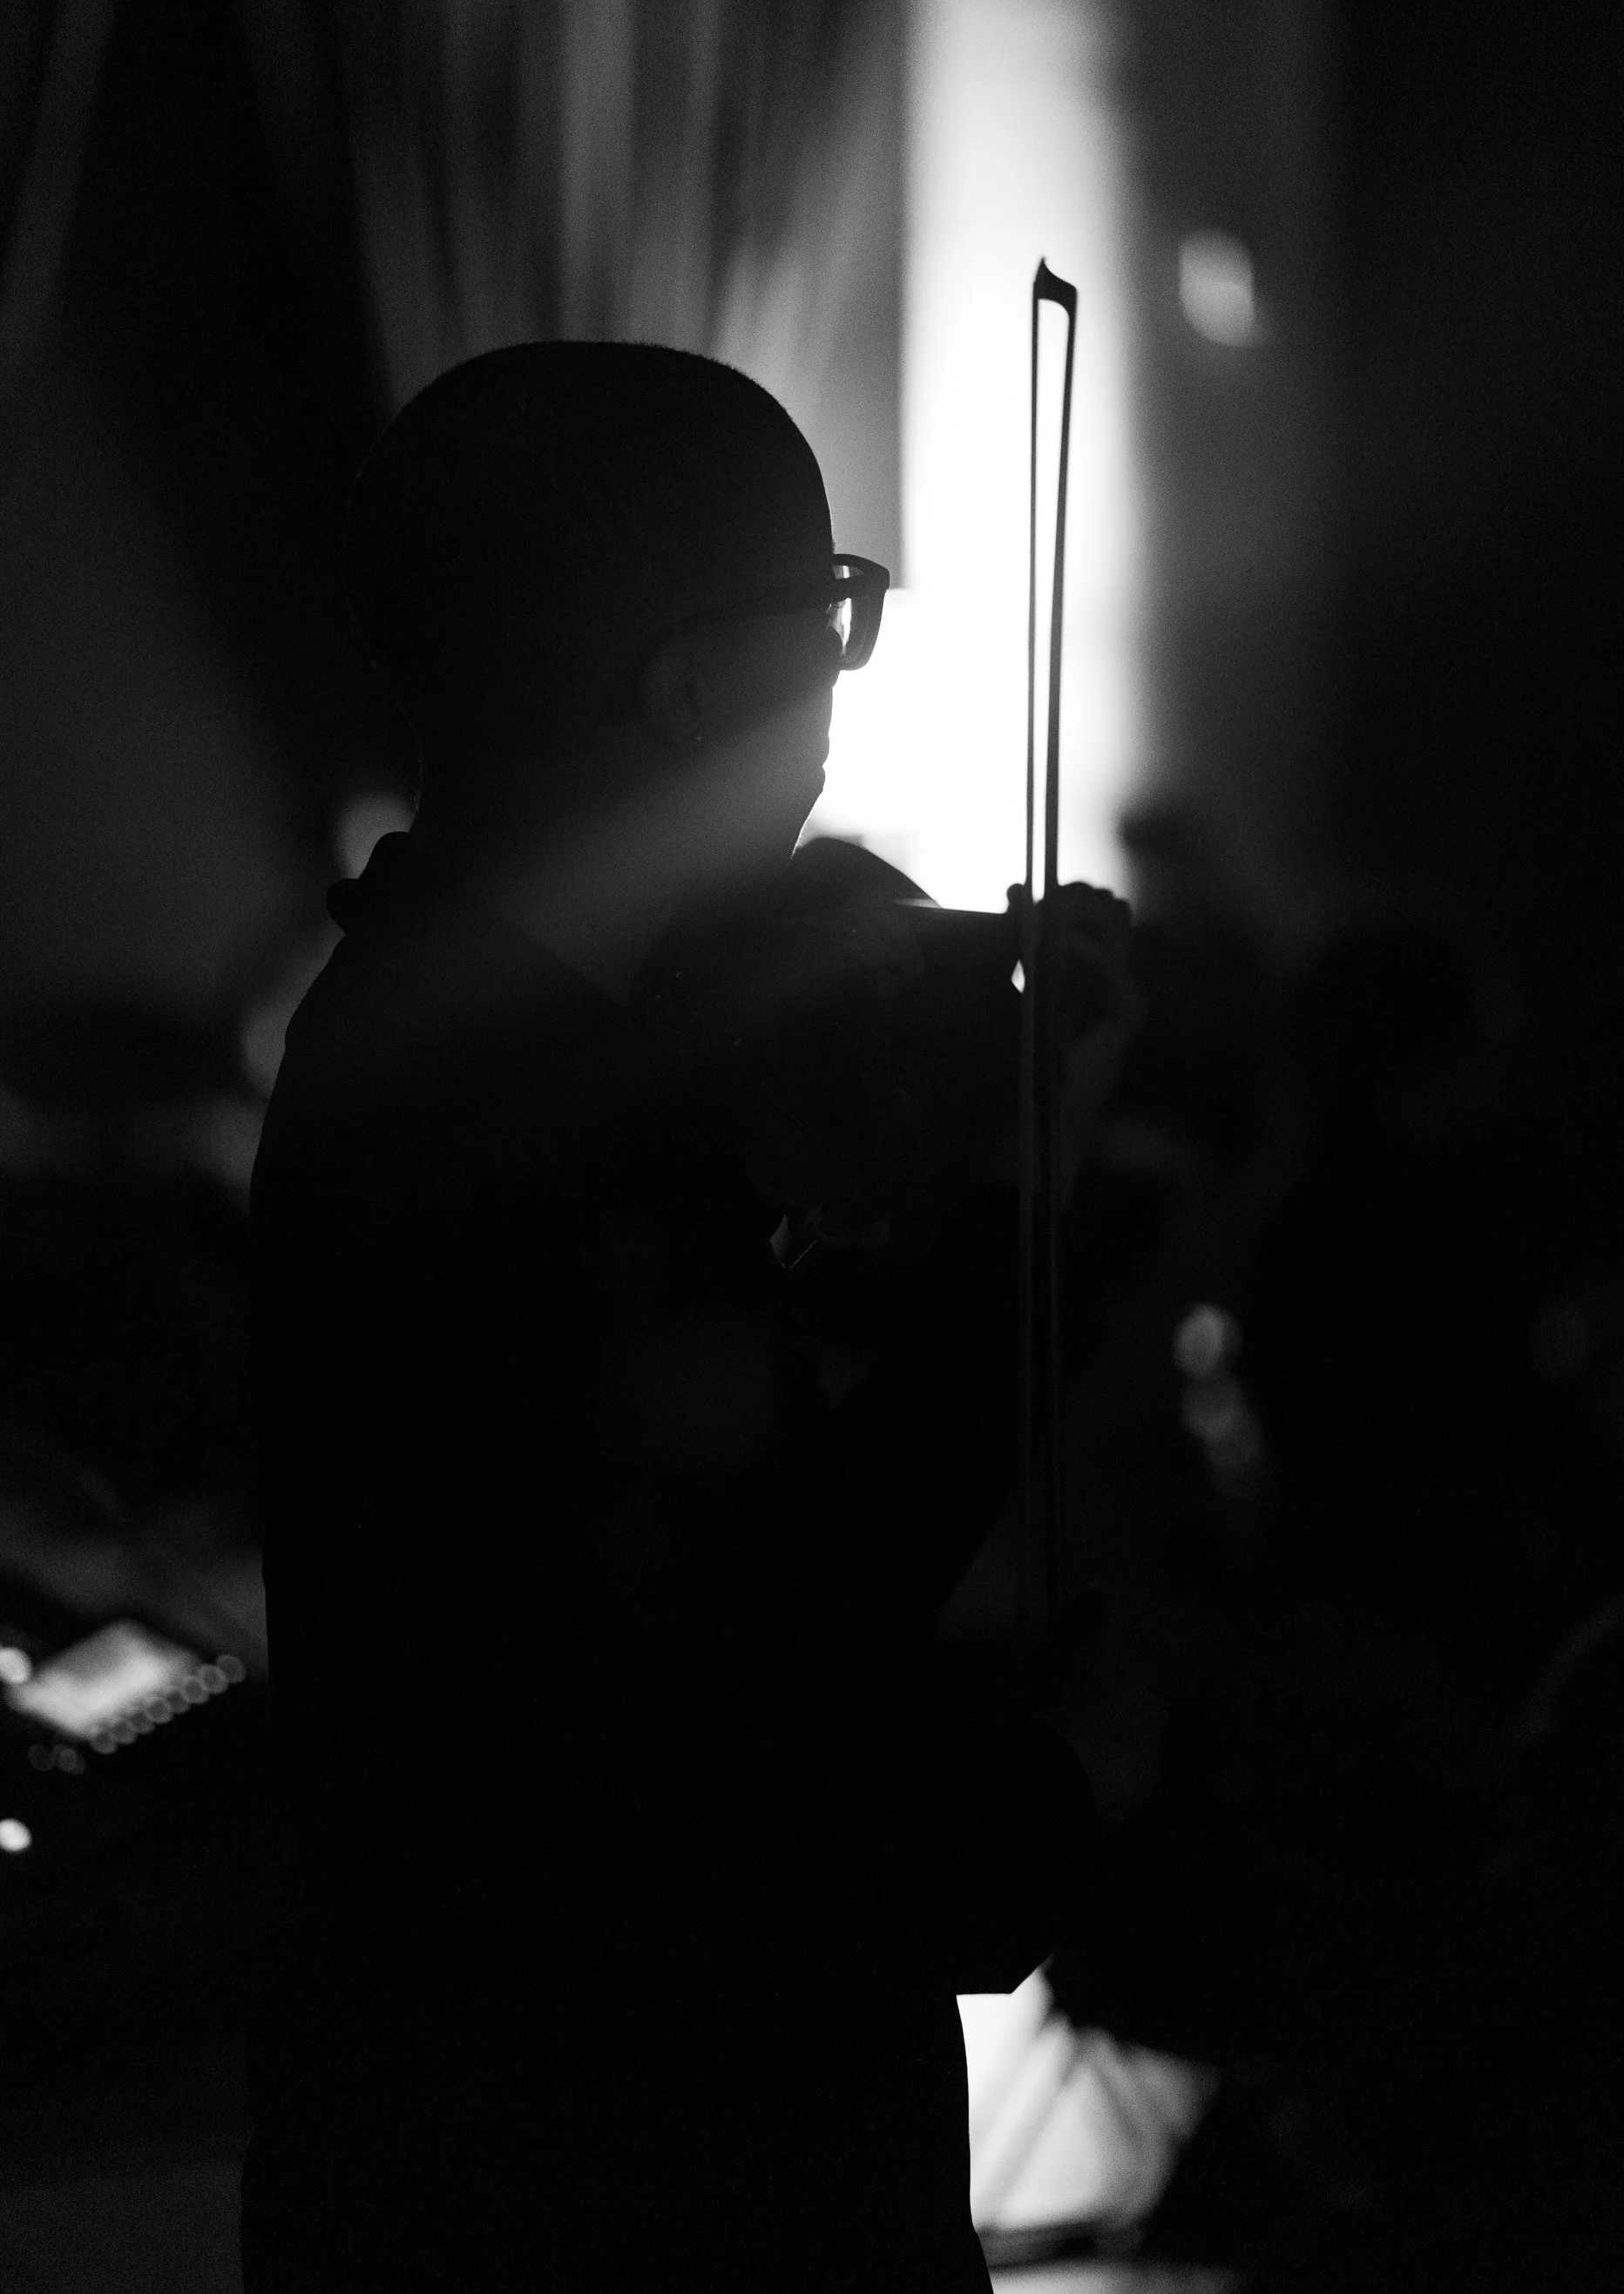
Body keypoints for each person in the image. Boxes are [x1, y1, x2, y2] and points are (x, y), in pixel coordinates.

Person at [240, 342, 1139, 2291]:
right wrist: (1056, 1796)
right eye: (831, 610)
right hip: (635, 2186)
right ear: (692, 686)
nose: (841, 661)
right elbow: (747, 1710)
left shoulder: (441, 1038)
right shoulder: (515, 1129)